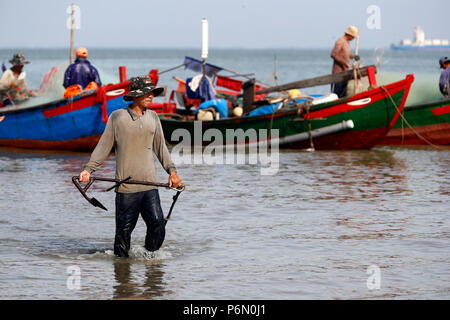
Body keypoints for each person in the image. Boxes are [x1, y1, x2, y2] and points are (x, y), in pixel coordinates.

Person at [78, 76, 182, 258]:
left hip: (150, 185)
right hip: (126, 188)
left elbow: (161, 148)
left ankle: (151, 262)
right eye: (146, 93)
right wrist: (88, 169)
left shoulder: (153, 117)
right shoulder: (118, 117)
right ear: (135, 95)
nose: (151, 96)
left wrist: (172, 172)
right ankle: (122, 272)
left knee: (158, 224)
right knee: (124, 232)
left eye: (152, 93)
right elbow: (103, 147)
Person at [330, 26, 360, 98]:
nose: (353, 39)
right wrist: (344, 63)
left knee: (343, 95)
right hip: (338, 74)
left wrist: (353, 56)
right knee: (336, 95)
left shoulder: (346, 43)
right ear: (349, 35)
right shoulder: (340, 41)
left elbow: (344, 54)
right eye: (353, 37)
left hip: (344, 73)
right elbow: (333, 54)